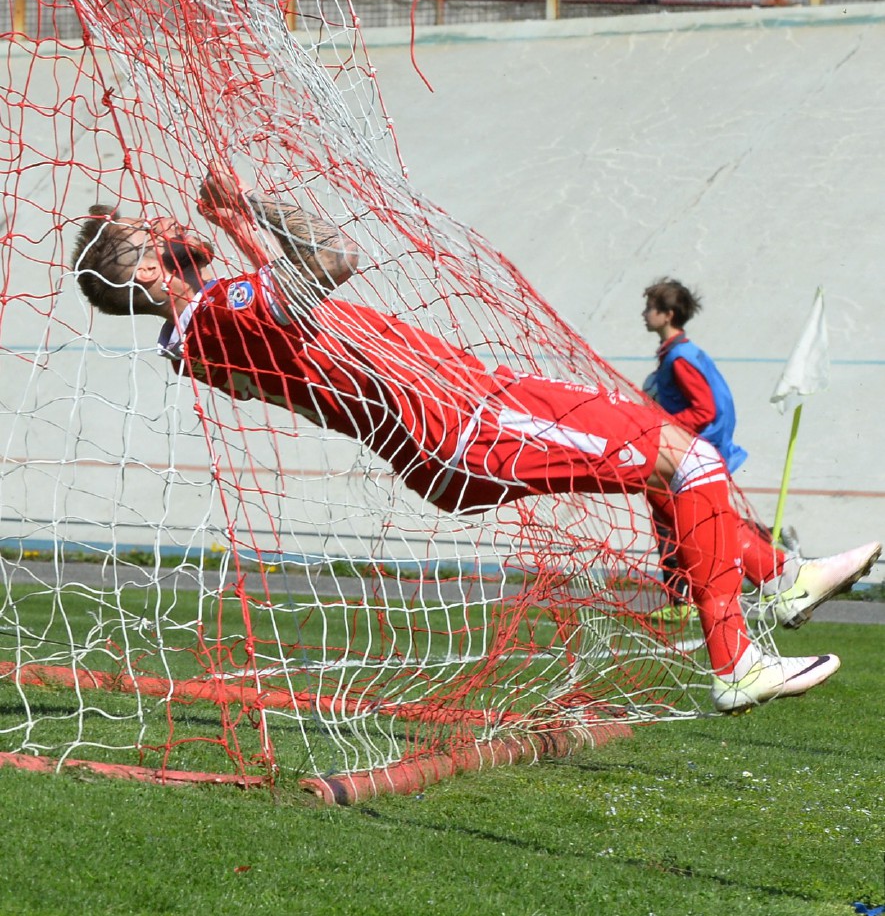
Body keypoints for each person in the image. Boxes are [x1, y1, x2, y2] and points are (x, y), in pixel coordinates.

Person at [69, 165, 881, 715]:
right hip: (459, 419)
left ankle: (777, 576)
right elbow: (332, 260)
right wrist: (264, 199)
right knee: (690, 458)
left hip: (453, 416)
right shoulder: (216, 313)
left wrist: (243, 227)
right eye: (149, 235)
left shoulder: (200, 331)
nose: (167, 226)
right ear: (146, 274)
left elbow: (297, 319)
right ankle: (735, 661)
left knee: (669, 459)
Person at [641, 278, 789, 621]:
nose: (644, 314)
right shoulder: (683, 353)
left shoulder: (679, 358)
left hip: (691, 454)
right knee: (697, 519)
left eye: (650, 308)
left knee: (678, 521)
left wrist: (663, 425)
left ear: (668, 314)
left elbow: (704, 410)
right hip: (698, 451)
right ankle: (769, 548)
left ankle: (687, 599)